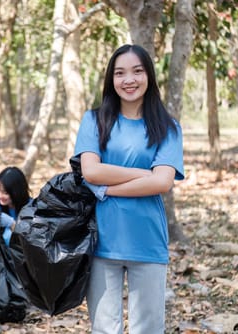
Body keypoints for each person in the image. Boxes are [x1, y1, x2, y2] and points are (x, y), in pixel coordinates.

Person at [74, 44, 185, 333]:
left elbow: (161, 183)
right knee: (104, 329)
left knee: (147, 329)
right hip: (100, 242)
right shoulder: (93, 120)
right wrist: (142, 175)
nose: (129, 80)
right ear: (112, 79)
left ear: (149, 76)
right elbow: (91, 171)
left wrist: (105, 190)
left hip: (147, 241)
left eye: (137, 71)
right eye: (120, 73)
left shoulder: (168, 127)